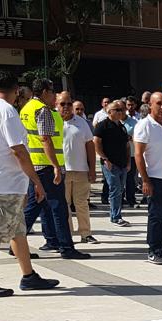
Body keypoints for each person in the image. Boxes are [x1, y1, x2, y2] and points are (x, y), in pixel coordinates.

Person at [0, 71, 60, 298]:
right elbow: (18, 150)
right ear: (16, 90)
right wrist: (36, 180)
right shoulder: (7, 111)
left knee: (18, 230)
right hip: (3, 183)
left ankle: (28, 276)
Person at [21, 79, 86, 259]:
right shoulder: (43, 110)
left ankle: (16, 242)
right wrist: (56, 166)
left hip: (34, 164)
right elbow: (45, 139)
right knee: (58, 206)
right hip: (47, 165)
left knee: (35, 205)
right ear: (43, 92)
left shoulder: (26, 109)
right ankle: (66, 247)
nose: (54, 95)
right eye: (51, 91)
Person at [134, 92, 162, 264]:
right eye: (159, 104)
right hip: (152, 177)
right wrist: (145, 180)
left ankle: (161, 247)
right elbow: (138, 154)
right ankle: (153, 249)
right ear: (150, 105)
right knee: (155, 215)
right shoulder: (144, 125)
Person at [57, 91, 97, 244]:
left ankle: (85, 233)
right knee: (63, 204)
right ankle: (66, 234)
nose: (66, 107)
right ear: (56, 104)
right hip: (61, 170)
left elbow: (90, 146)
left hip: (81, 169)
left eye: (68, 103)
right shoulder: (53, 121)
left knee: (82, 203)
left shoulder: (81, 122)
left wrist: (92, 169)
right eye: (62, 104)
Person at [94, 100, 131, 228]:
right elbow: (96, 143)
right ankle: (116, 217)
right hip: (110, 163)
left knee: (120, 189)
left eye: (121, 110)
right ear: (109, 111)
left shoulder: (121, 126)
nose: (121, 112)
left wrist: (128, 162)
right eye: (117, 110)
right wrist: (105, 159)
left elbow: (127, 146)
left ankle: (115, 214)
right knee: (115, 189)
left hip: (122, 163)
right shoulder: (102, 125)